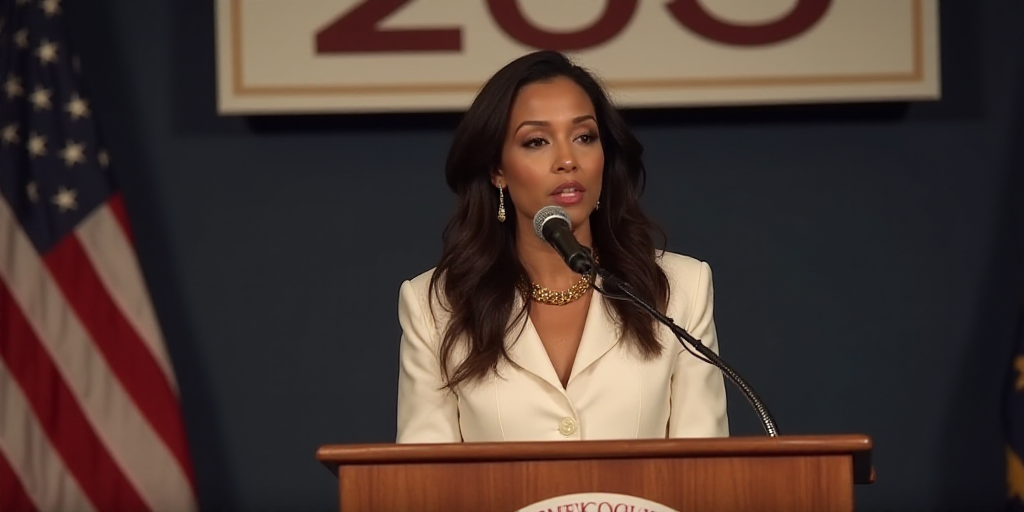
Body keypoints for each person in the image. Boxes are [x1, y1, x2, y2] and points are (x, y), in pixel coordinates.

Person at [395, 50, 729, 443]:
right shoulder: (436, 306)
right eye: (536, 141)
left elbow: (705, 470)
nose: (567, 160)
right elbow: (422, 483)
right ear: (497, 170)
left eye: (584, 137)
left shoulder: (681, 289)